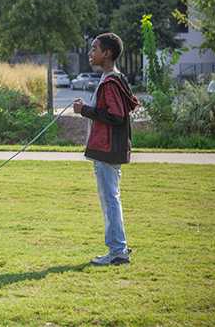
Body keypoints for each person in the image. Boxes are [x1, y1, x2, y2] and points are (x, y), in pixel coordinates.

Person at [73, 33, 140, 266]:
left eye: (95, 49)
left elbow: (115, 115)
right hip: (112, 148)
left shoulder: (110, 81)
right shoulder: (114, 78)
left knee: (110, 199)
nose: (91, 53)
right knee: (112, 198)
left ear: (107, 53)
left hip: (107, 148)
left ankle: (118, 251)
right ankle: (118, 247)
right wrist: (88, 108)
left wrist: (85, 110)